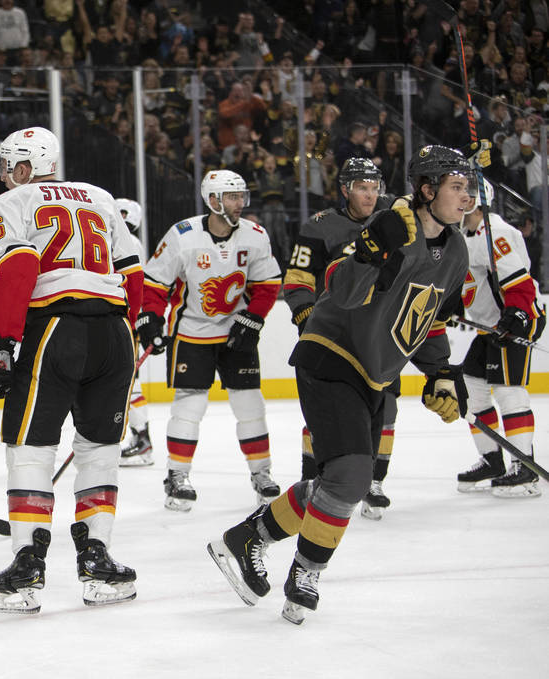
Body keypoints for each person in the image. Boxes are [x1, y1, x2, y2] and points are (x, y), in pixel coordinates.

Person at [207, 143, 485, 624]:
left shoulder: (456, 248)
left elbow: (427, 316)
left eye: (470, 188)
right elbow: (341, 288)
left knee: (332, 482)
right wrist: (375, 249)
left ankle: (246, 538)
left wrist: (442, 371)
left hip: (375, 371)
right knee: (353, 477)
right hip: (332, 355)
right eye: (457, 187)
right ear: (426, 189)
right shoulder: (394, 224)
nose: (468, 199)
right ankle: (306, 573)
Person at [0, 126, 143, 613]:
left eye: (10, 165)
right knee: (99, 449)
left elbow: (20, 267)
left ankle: (27, 567)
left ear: (26, 167)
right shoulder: (99, 196)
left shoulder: (13, 202)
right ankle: (98, 562)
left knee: (31, 446)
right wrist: (136, 328)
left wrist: (3, 340)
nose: (6, 175)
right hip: (113, 333)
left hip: (56, 329)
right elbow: (134, 274)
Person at [138, 170, 283, 511]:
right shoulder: (183, 235)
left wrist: (254, 317)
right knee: (189, 406)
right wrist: (151, 318)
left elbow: (268, 283)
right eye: (232, 197)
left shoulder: (255, 235)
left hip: (237, 334)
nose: (240, 203)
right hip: (192, 332)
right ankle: (177, 476)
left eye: (241, 196)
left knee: (250, 405)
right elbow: (155, 283)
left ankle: (261, 473)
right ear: (213, 200)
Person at [283, 157, 399, 520]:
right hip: (335, 335)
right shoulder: (321, 227)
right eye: (362, 187)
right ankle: (312, 476)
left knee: (386, 409)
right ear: (346, 189)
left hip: (380, 334)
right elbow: (299, 277)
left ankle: (374, 481)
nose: (369, 194)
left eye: (374, 187)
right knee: (325, 411)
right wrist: (305, 316)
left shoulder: (394, 222)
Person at [456, 179, 543, 497]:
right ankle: (492, 459)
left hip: (514, 321)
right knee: (470, 386)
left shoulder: (497, 232)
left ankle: (525, 470)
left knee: (508, 390)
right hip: (490, 326)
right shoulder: (464, 236)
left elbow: (521, 284)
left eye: (461, 196)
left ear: (475, 201)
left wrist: (514, 317)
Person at [114, 198, 153, 466]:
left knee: (129, 382)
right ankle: (140, 439)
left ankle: (142, 441)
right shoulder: (130, 242)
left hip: (124, 319)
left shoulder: (126, 242)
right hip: (125, 318)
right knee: (127, 382)